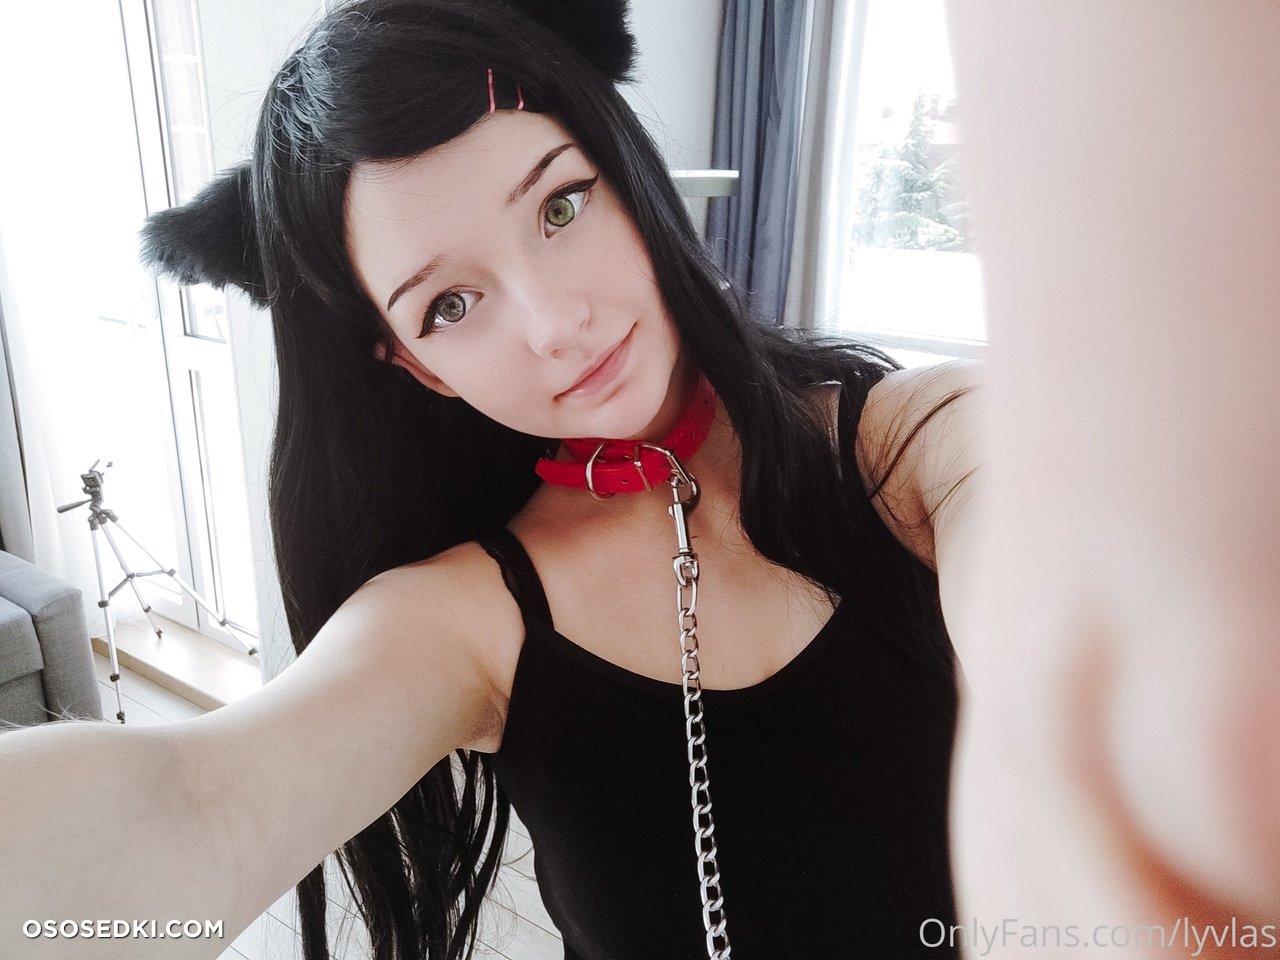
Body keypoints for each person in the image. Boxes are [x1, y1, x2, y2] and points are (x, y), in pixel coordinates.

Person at [2, 1, 1275, 959]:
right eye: (451, 303)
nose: (554, 325)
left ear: (626, 169)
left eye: (560, 207)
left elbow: (1078, 587)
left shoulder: (908, 447)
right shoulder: (466, 621)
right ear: (414, 365)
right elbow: (195, 803)